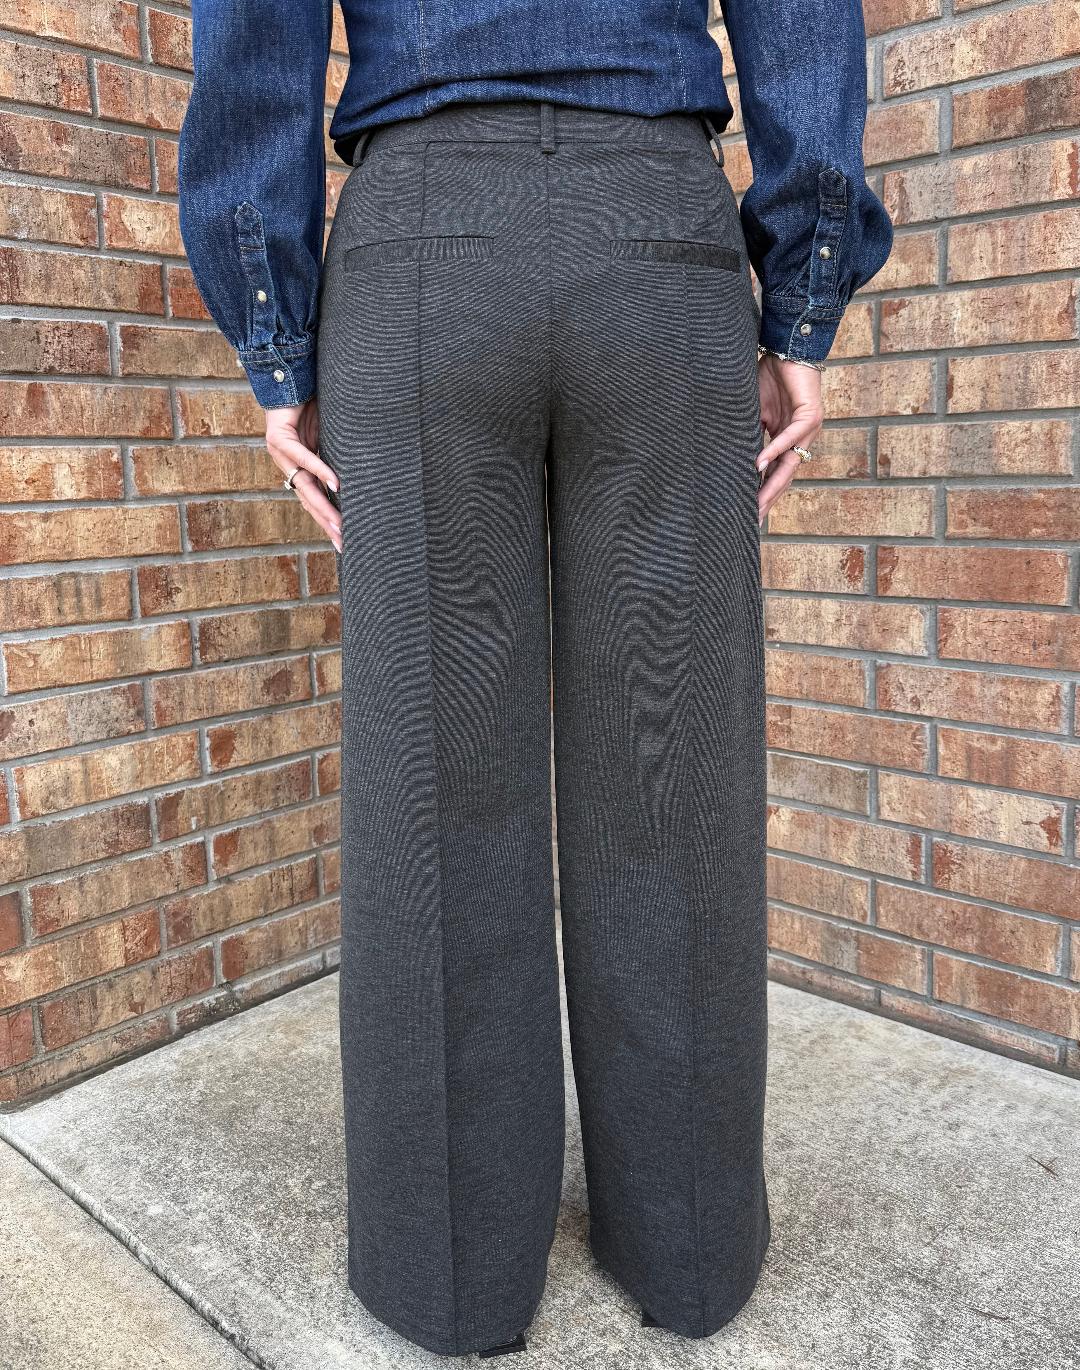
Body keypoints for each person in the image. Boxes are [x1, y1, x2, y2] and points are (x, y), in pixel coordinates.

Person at [178, 0, 892, 1357]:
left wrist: (275, 339)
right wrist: (802, 310)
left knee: (434, 794)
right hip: (659, 236)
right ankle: (689, 1252)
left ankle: (451, 1276)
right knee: (672, 773)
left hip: (420, 242)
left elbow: (255, 38)